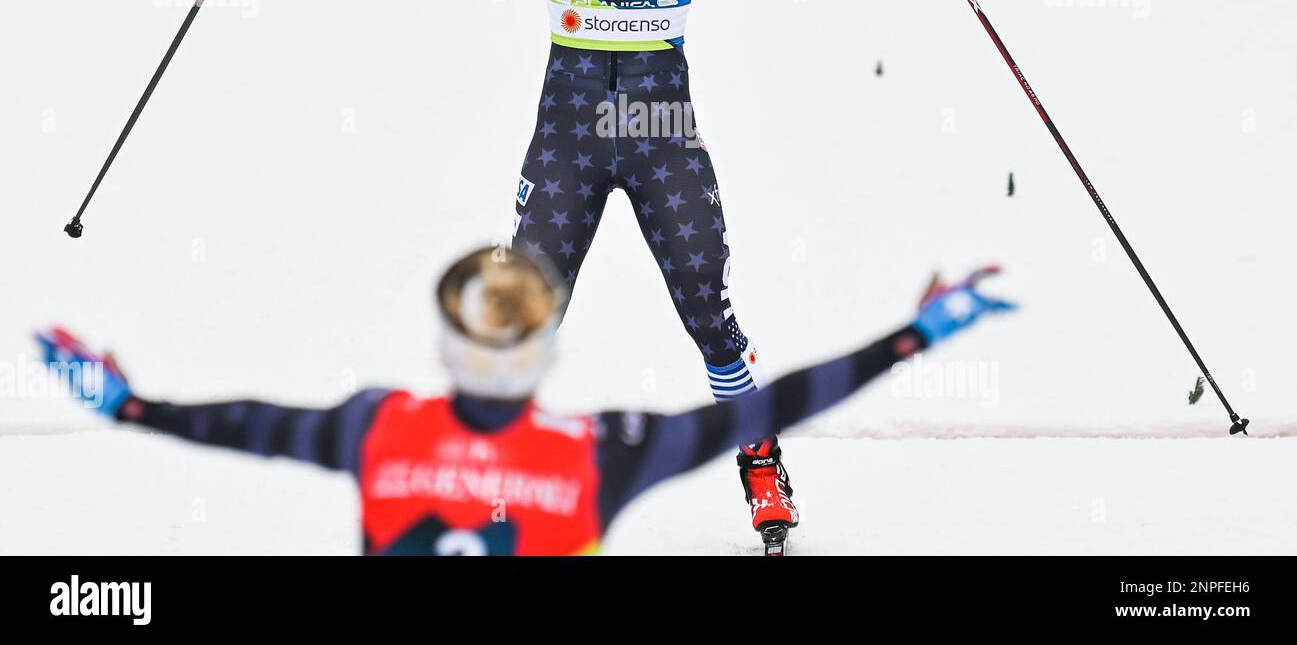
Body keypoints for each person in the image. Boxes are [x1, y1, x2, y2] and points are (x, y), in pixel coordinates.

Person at [286, 0, 921, 542]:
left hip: (661, 131)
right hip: (570, 132)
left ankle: (760, 466)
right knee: (522, 320)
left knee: (707, 311)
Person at [38, 248, 1013, 556]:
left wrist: (127, 407)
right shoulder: (601, 454)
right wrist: (913, 336)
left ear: (445, 348)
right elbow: (765, 409)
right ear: (545, 352)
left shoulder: (376, 429)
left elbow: (246, 426)